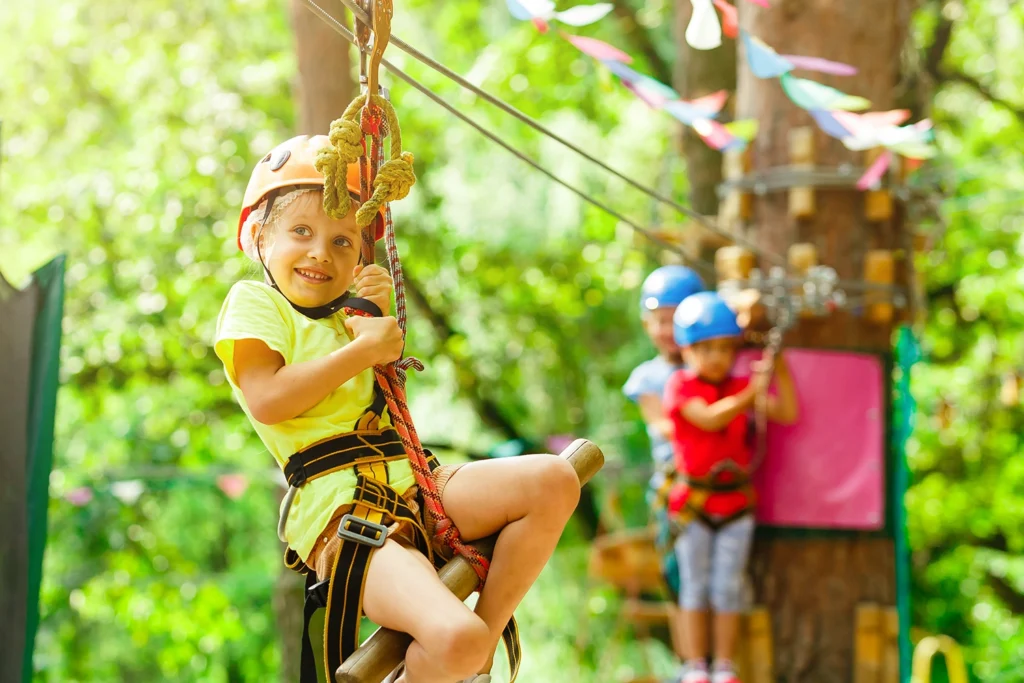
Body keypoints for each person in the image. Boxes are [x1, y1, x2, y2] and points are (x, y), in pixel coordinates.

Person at [214, 135, 580, 683]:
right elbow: (267, 399)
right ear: (259, 238)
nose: (321, 252)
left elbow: (375, 383)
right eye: (300, 232)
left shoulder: (350, 319)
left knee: (552, 479)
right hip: (344, 513)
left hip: (414, 482)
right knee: (453, 636)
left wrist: (369, 320)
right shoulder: (255, 302)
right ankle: (459, 649)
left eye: (343, 242)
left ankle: (477, 649)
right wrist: (362, 347)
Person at [663, 291, 799, 683]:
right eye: (706, 349)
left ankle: (724, 665)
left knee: (727, 588)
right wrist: (751, 393)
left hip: (736, 506)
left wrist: (779, 370)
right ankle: (695, 666)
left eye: (724, 348)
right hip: (695, 505)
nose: (717, 357)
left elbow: (786, 411)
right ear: (687, 351)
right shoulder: (681, 387)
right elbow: (707, 419)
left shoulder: (740, 386)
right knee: (695, 587)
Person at [621, 266, 705, 598]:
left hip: (721, 485)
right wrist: (711, 421)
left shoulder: (712, 368)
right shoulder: (648, 377)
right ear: (646, 323)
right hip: (674, 487)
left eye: (676, 319)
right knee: (677, 579)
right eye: (660, 320)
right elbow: (662, 425)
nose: (668, 330)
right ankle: (690, 652)